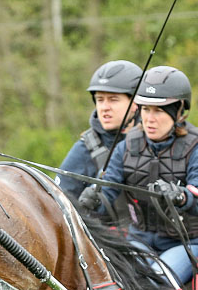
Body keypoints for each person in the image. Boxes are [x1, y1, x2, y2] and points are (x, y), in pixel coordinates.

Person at [78, 65, 198, 286]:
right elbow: (107, 192)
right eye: (146, 109)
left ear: (178, 111)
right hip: (140, 241)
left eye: (158, 111)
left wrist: (182, 196)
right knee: (114, 281)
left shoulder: (197, 148)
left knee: (155, 284)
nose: (150, 119)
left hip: (186, 243)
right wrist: (94, 200)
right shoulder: (127, 146)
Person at [56, 60, 142, 201]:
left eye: (113, 100)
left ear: (135, 103)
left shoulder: (156, 141)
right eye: (100, 100)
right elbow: (57, 203)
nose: (104, 107)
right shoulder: (84, 149)